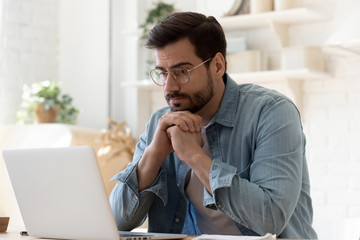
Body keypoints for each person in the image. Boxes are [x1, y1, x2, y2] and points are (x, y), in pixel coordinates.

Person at [109, 11, 317, 239]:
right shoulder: (159, 124)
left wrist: (193, 155)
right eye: (162, 73)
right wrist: (154, 153)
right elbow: (114, 222)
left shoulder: (271, 113)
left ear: (217, 65)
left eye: (182, 72)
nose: (169, 87)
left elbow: (271, 219)